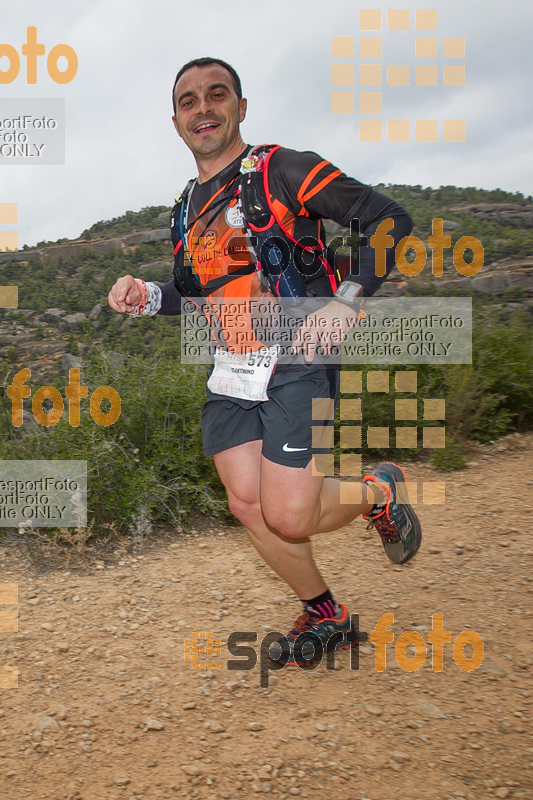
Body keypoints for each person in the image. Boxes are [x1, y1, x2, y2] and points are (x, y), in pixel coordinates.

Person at [108, 57, 422, 667]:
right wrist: (146, 297)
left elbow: (390, 219)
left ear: (241, 107)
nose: (203, 108)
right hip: (231, 367)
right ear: (175, 122)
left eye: (217, 94)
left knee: (290, 511)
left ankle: (379, 491)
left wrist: (347, 300)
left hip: (299, 355)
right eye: (189, 100)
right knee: (248, 505)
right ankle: (325, 614)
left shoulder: (282, 169)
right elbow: (201, 295)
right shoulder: (183, 208)